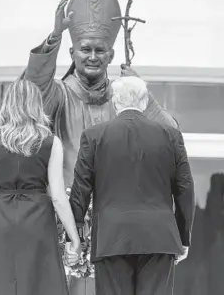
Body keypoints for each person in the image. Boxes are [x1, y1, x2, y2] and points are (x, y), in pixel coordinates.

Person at [24, 0, 179, 280]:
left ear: (111, 55)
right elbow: (33, 89)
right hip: (65, 225)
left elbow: (172, 137)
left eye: (100, 50)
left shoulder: (127, 101)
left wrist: (142, 95)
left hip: (117, 232)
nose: (92, 56)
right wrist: (55, 36)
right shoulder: (58, 95)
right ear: (72, 54)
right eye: (85, 49)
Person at [66, 76, 195, 295]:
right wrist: (183, 237)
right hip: (159, 238)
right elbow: (185, 189)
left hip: (111, 237)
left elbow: (81, 190)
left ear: (115, 102)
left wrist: (73, 237)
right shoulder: (171, 136)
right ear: (144, 102)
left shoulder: (94, 136)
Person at [0, 79, 81, 295]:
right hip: (38, 221)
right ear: (36, 105)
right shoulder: (51, 142)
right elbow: (58, 196)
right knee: (39, 285)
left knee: (2, 285)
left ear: (8, 103)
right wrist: (74, 238)